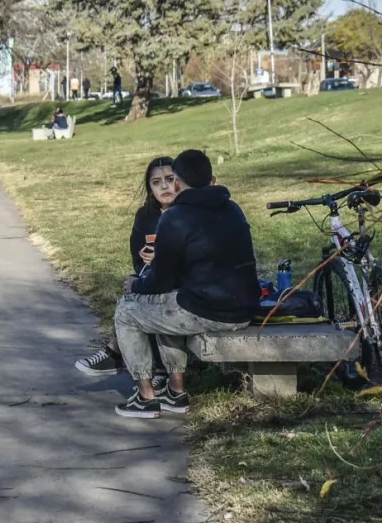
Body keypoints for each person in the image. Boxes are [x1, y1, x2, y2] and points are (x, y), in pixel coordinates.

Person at [113, 149, 259, 418]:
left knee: (127, 311)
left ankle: (145, 397)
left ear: (178, 182)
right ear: (210, 178)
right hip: (246, 308)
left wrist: (135, 285)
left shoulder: (175, 217)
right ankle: (175, 392)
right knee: (166, 304)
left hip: (210, 311)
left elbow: (160, 281)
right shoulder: (232, 208)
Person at [74, 157, 177, 383]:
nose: (164, 186)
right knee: (137, 287)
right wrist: (143, 268)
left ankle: (117, 353)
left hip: (183, 282)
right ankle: (152, 368)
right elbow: (137, 257)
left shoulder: (187, 213)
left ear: (180, 180)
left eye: (170, 179)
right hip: (155, 276)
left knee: (145, 293)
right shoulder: (145, 216)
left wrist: (160, 260)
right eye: (156, 182)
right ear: (149, 188)